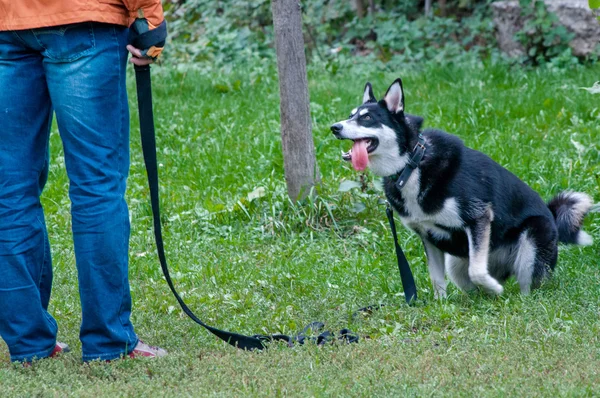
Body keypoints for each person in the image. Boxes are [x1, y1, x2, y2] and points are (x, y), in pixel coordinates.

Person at [0, 0, 168, 363]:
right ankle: (109, 343)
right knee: (96, 186)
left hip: (6, 23)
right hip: (83, 18)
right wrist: (147, 17)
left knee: (9, 192)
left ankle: (29, 344)